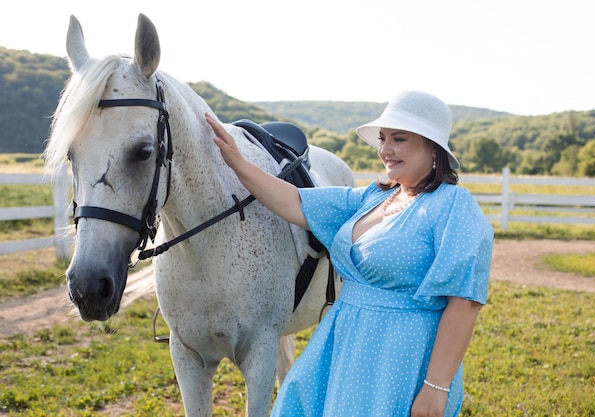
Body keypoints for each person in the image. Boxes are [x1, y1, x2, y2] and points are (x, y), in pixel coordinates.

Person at [205, 90, 493, 417]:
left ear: (433, 146)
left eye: (399, 139)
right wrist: (238, 164)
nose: (385, 150)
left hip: (399, 359)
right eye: (383, 139)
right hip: (342, 345)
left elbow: (464, 302)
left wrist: (436, 388)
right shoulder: (372, 198)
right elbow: (296, 201)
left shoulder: (453, 207)